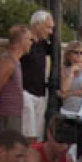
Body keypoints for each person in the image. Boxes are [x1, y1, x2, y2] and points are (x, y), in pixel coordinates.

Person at [0, 25, 31, 137]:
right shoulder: (7, 62)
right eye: (29, 39)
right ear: (22, 41)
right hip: (6, 117)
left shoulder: (16, 62)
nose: (31, 43)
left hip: (14, 116)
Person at [21, 11, 54, 139]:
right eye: (48, 27)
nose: (50, 31)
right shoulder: (26, 43)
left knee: (38, 135)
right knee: (29, 134)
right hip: (27, 93)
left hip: (40, 94)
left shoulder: (43, 44)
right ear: (37, 25)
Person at [59, 40, 82, 113]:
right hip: (68, 109)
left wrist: (70, 93)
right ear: (68, 54)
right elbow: (64, 89)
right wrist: (71, 72)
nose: (79, 55)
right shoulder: (64, 70)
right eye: (76, 52)